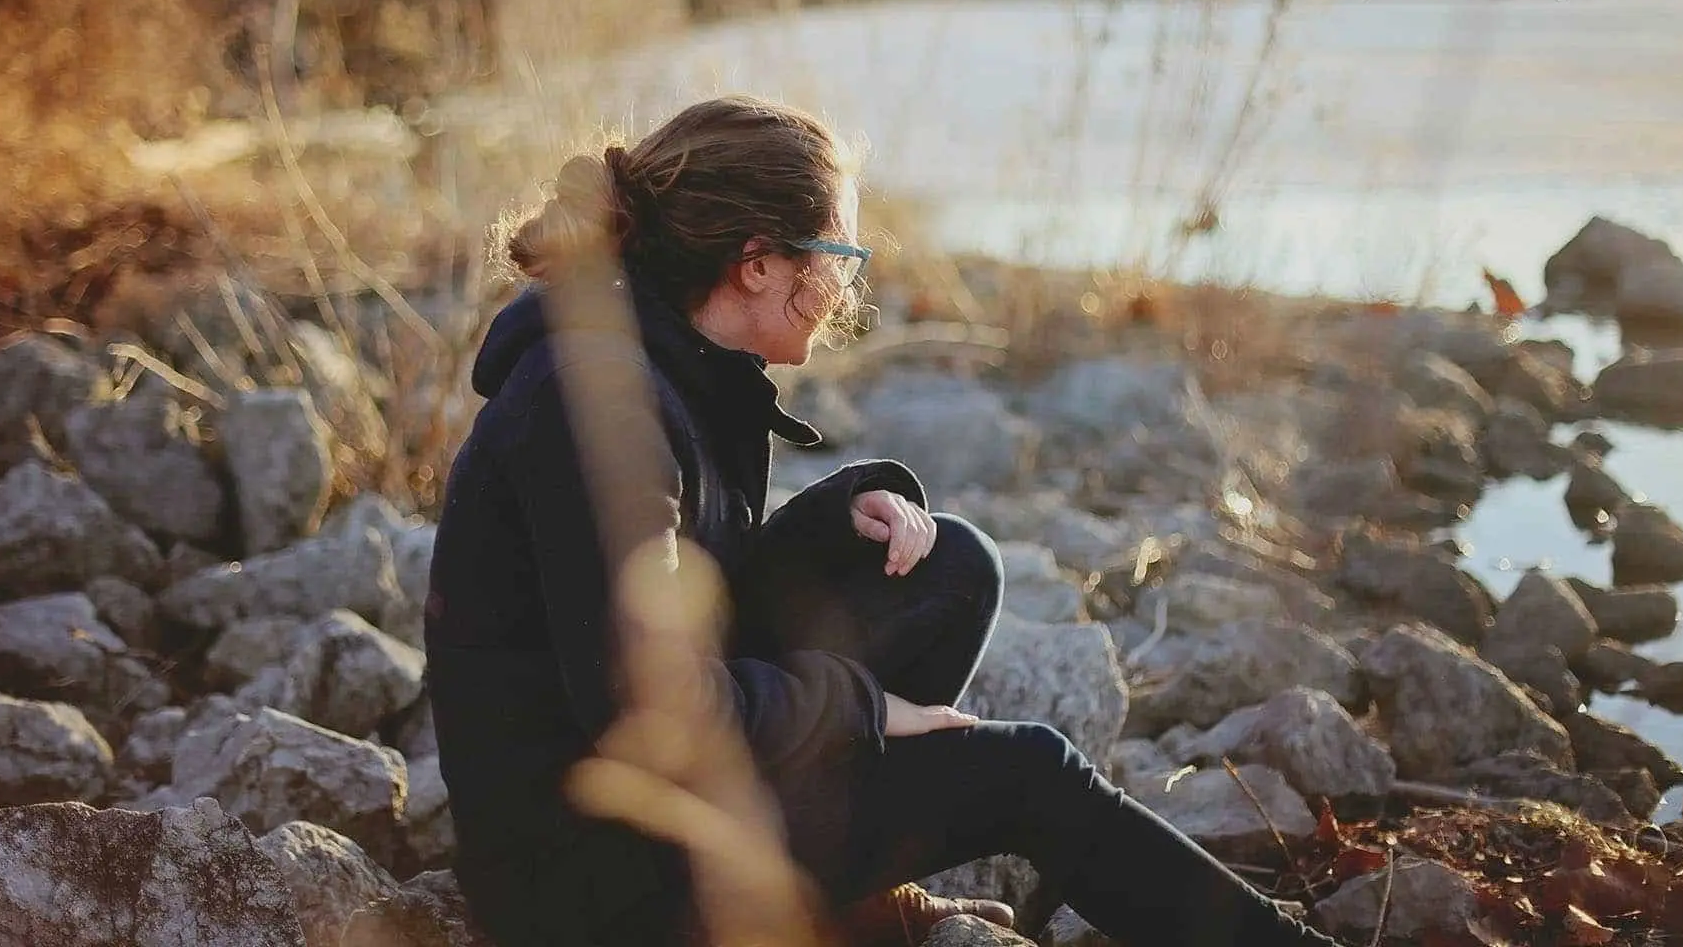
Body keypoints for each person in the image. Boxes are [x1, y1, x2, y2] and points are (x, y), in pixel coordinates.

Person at [425, 95, 1345, 946]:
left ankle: (846, 892)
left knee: (950, 570)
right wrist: (867, 710)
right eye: (839, 260)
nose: (849, 292)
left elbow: (686, 585)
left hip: (657, 804)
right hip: (586, 879)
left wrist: (836, 515)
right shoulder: (594, 408)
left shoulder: (671, 359)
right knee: (1027, 770)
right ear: (757, 263)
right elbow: (648, 706)